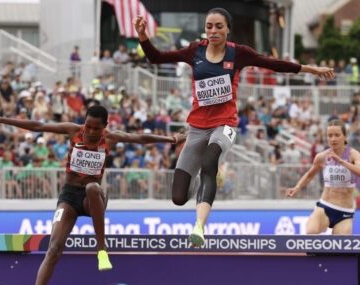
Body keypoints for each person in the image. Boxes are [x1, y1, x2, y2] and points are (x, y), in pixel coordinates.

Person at [133, 7, 335, 247]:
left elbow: (273, 64)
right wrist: (143, 36)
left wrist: (310, 69)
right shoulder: (194, 51)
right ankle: (204, 178)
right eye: (209, 26)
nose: (213, 31)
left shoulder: (238, 53)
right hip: (197, 128)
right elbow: (157, 58)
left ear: (228, 29)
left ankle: (199, 226)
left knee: (209, 163)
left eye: (219, 26)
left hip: (225, 124)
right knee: (178, 197)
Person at [0, 105, 186, 285]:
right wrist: (0, 119)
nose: (92, 132)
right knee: (53, 250)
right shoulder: (73, 131)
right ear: (84, 122)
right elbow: (38, 125)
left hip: (94, 199)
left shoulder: (110, 137)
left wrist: (171, 139)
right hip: (69, 195)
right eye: (89, 127)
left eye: (96, 128)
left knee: (92, 187)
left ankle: (101, 250)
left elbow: (141, 138)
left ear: (105, 126)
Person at [286, 120, 360, 235]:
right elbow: (310, 175)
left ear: (345, 136)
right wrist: (297, 187)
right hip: (325, 207)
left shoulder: (353, 154)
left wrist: (341, 162)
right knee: (310, 233)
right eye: (330, 136)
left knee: (339, 250)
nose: (333, 139)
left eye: (337, 135)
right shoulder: (322, 157)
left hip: (345, 212)